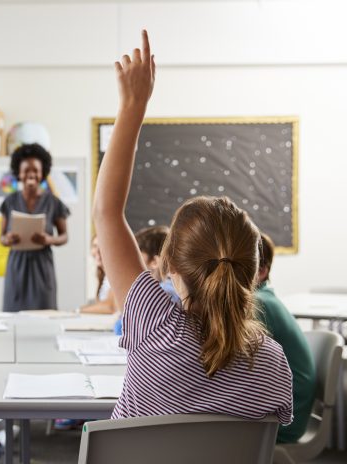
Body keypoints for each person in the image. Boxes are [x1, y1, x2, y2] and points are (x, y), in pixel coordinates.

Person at [93, 30, 292, 424]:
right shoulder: (273, 362)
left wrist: (133, 103)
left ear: (169, 268)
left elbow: (106, 212)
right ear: (253, 273)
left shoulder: (155, 325)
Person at [256, 233, 316, 443]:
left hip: (285, 421)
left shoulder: (258, 303)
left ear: (261, 271)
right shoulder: (265, 298)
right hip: (292, 411)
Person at [0, 143, 70, 311]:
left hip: (42, 266)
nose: (31, 174)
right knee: (13, 313)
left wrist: (49, 239)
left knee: (44, 312)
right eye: (26, 170)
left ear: (42, 173)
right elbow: (1, 238)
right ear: (19, 173)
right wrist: (8, 238)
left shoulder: (53, 202)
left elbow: (64, 236)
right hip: (17, 265)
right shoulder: (9, 202)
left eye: (35, 170)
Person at [134, 225, 180, 304]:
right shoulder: (171, 287)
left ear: (155, 261)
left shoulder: (163, 292)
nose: (134, 259)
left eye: (138, 254)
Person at [80, 236, 117, 314]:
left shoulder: (116, 274)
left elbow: (110, 307)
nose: (97, 251)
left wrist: (78, 311)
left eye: (103, 246)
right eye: (94, 246)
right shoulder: (103, 275)